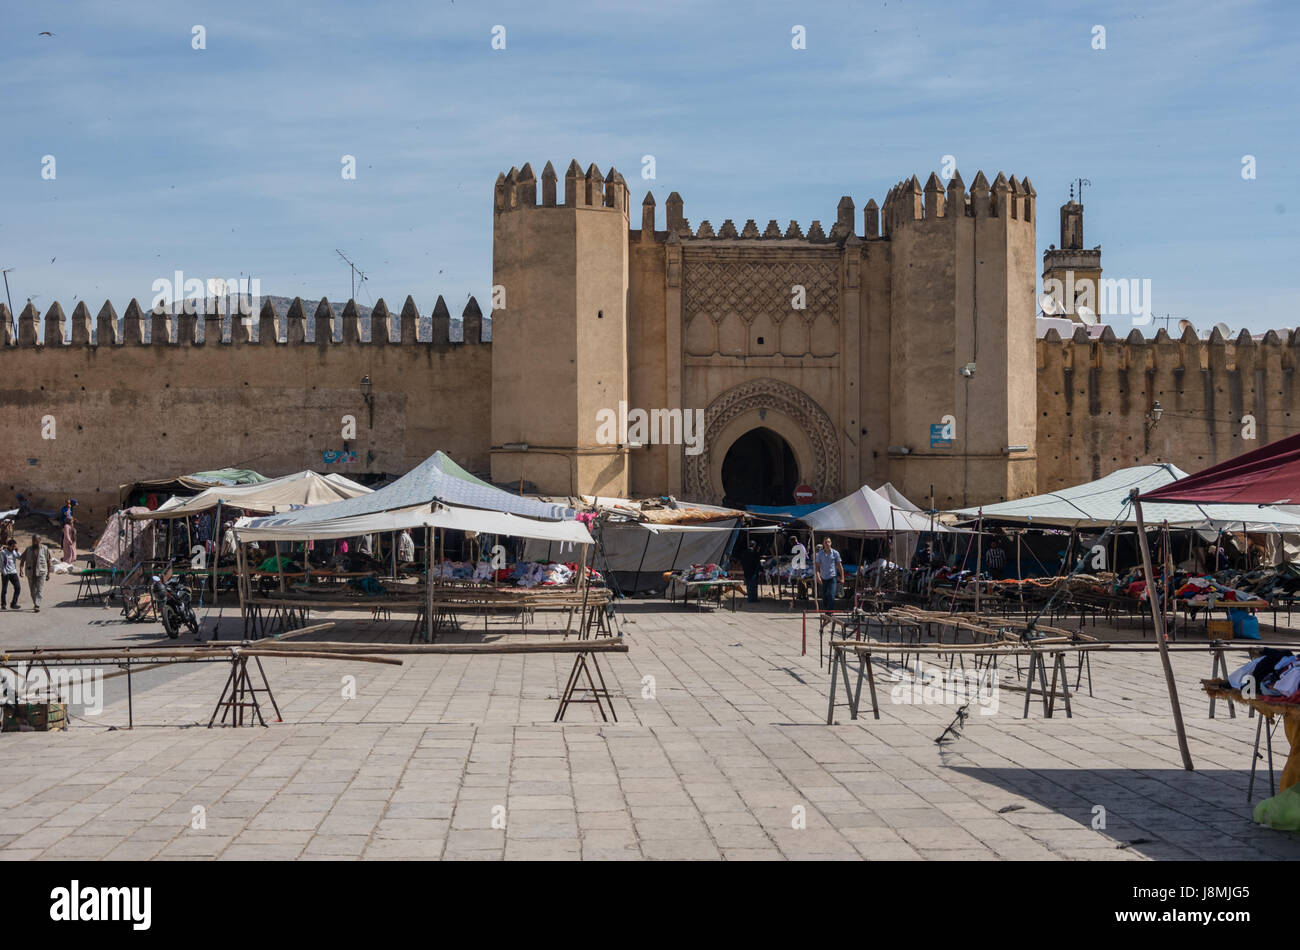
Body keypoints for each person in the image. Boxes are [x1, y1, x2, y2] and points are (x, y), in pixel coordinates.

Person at [20, 534, 51, 612]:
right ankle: (35, 603)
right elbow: (22, 559)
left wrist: (48, 573)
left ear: (39, 540)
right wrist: (21, 570)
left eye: (36, 541)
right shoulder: (28, 549)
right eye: (33, 541)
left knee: (39, 590)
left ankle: (37, 605)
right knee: (32, 591)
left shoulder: (45, 548)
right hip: (31, 573)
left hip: (41, 572)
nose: (34, 542)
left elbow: (48, 561)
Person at [814, 536, 844, 612]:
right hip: (823, 577)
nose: (827, 543)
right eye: (825, 542)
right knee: (824, 596)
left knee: (831, 594)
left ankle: (829, 612)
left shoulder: (835, 553)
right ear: (823, 544)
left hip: (832, 577)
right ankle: (826, 609)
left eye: (828, 542)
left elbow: (840, 566)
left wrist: (842, 578)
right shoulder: (819, 554)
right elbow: (817, 567)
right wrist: (818, 577)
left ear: (831, 543)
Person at [1, 538, 20, 609]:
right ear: (8, 546)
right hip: (6, 573)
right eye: (13, 546)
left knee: (18, 588)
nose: (14, 548)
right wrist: (4, 573)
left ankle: (13, 604)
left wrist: (17, 551)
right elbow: (1, 564)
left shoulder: (14, 552)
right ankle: (3, 604)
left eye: (15, 546)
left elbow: (20, 558)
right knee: (4, 589)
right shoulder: (3, 552)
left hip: (13, 572)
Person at [59, 498, 78, 564]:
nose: (69, 504)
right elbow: (66, 514)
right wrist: (69, 509)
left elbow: (71, 515)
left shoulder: (71, 509)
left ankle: (72, 558)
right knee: (65, 535)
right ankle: (62, 546)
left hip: (70, 522)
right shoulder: (64, 508)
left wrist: (73, 519)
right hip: (65, 522)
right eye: (68, 503)